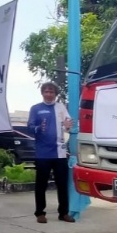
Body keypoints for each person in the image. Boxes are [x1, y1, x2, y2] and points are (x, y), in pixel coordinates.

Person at [27, 82, 74, 224]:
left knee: (62, 185)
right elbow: (30, 127)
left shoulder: (61, 107)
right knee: (41, 185)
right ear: (42, 93)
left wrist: (68, 126)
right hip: (43, 154)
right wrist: (38, 128)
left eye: (51, 92)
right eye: (46, 92)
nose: (49, 94)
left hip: (60, 153)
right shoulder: (36, 108)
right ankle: (40, 213)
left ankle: (63, 213)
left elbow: (67, 125)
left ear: (55, 94)